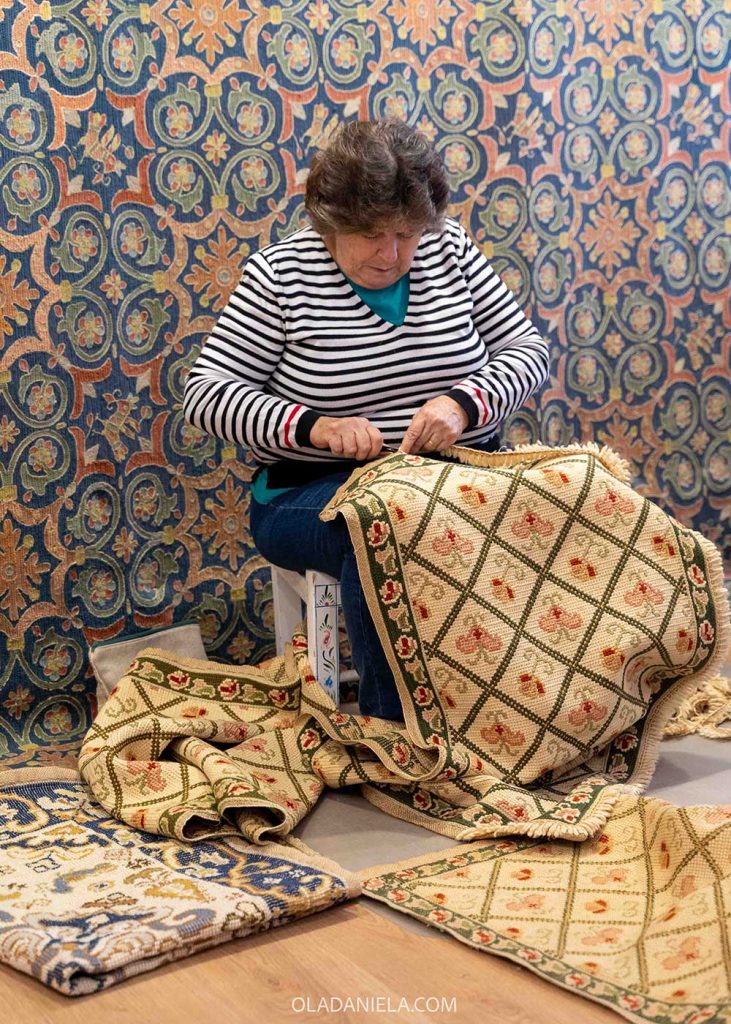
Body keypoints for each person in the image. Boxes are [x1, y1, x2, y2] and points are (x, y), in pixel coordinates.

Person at [183, 119, 549, 721]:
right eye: (372, 235)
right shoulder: (280, 275)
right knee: (383, 529)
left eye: (407, 233)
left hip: (451, 477)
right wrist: (316, 427)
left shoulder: (449, 248)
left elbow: (528, 351)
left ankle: (525, 709)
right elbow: (207, 393)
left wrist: (463, 404)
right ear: (330, 223)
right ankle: (396, 730)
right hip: (312, 494)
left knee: (573, 497)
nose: (392, 253)